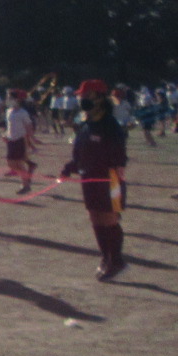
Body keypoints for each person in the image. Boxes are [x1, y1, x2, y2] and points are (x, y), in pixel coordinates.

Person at [62, 80, 130, 282]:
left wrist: (115, 173)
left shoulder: (110, 124)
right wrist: (70, 167)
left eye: (86, 96)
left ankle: (116, 260)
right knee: (95, 218)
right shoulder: (86, 123)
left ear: (99, 98)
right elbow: (80, 152)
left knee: (108, 219)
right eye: (81, 96)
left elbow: (119, 156)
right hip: (89, 177)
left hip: (108, 178)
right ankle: (106, 257)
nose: (82, 99)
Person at [2, 89, 38, 195]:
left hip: (20, 140)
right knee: (10, 162)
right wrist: (5, 135)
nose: (8, 100)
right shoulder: (8, 111)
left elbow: (28, 126)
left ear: (17, 99)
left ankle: (26, 185)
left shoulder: (22, 112)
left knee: (18, 163)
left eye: (10, 98)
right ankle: (28, 174)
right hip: (11, 140)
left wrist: (31, 139)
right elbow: (9, 126)